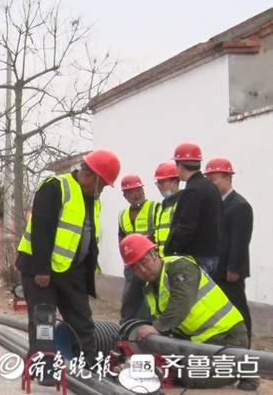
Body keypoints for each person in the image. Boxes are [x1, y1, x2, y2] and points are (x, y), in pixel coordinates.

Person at [16, 149, 121, 379]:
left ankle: (91, 370)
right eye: (102, 185)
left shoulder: (92, 200)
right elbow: (42, 230)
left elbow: (87, 239)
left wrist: (87, 279)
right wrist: (42, 269)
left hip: (71, 272)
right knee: (43, 320)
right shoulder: (55, 187)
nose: (102, 191)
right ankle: (43, 370)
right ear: (90, 176)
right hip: (40, 270)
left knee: (82, 322)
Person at [120, 234, 248, 390]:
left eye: (144, 261)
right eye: (135, 267)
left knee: (189, 377)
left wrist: (157, 327)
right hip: (200, 343)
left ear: (154, 254)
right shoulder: (150, 287)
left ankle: (245, 369)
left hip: (228, 338)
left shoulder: (180, 267)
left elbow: (181, 302)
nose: (142, 270)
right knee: (170, 367)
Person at [205, 158, 255, 366]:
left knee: (239, 309)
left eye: (213, 179)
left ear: (227, 178)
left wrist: (233, 267)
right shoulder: (216, 204)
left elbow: (240, 240)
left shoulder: (240, 206)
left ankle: (246, 351)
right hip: (215, 270)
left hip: (230, 270)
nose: (211, 184)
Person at [164, 142, 222, 275]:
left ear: (179, 166)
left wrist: (174, 250)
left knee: (190, 295)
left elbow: (186, 226)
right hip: (212, 255)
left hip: (196, 257)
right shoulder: (210, 187)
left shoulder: (193, 190)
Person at [117, 174, 158, 322]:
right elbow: (121, 238)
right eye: (131, 192)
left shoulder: (154, 208)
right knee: (130, 296)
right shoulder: (123, 215)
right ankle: (127, 324)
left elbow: (160, 232)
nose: (136, 195)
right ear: (125, 195)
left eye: (138, 191)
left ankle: (153, 322)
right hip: (132, 263)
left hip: (150, 260)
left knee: (153, 295)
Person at [152, 161, 180, 257]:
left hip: (178, 259)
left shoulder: (183, 204)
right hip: (163, 259)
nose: (159, 187)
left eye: (162, 183)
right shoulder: (161, 207)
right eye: (158, 183)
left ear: (175, 182)